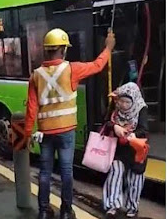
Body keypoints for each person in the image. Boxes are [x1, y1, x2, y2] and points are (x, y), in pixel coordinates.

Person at [25, 28, 115, 219]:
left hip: (45, 133)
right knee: (66, 171)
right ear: (63, 49)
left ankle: (43, 211)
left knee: (45, 172)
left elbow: (31, 109)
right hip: (66, 132)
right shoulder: (72, 69)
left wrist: (27, 135)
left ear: (47, 50)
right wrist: (108, 48)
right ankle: (66, 211)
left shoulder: (35, 75)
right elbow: (98, 65)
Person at [103, 82, 149, 219]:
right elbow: (106, 122)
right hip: (119, 148)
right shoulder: (115, 107)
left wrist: (134, 135)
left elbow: (144, 130)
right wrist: (114, 127)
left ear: (133, 101)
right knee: (115, 173)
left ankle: (132, 208)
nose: (123, 105)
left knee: (135, 178)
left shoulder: (141, 109)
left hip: (136, 150)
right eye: (121, 101)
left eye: (127, 102)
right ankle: (112, 205)